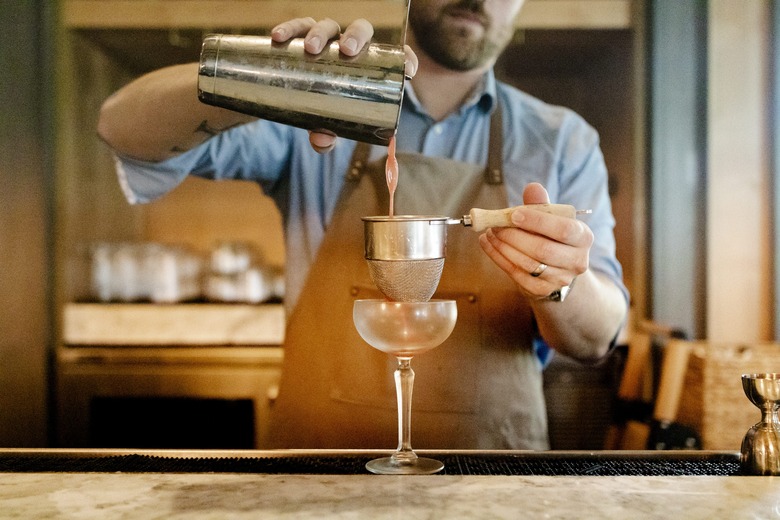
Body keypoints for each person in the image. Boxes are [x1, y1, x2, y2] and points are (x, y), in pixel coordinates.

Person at [97, 0, 628, 450]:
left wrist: (561, 281)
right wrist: (271, 75)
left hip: (489, 480)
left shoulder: (562, 141)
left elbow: (598, 336)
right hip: (317, 475)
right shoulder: (314, 104)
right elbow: (120, 130)